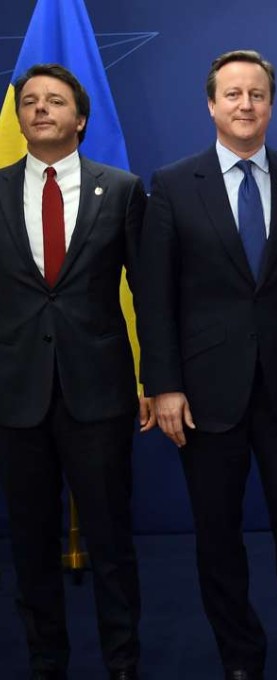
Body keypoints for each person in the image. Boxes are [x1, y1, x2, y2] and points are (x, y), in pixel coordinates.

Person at [137, 50, 277, 680]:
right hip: (204, 395)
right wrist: (165, 384)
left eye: (256, 94)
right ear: (211, 105)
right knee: (218, 539)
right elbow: (155, 296)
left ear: (271, 104)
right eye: (232, 94)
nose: (245, 105)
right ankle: (240, 657)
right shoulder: (174, 184)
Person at [0, 63, 150, 680]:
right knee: (31, 543)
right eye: (29, 101)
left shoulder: (119, 190)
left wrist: (155, 379)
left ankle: (122, 660)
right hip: (16, 394)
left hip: (99, 392)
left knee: (111, 540)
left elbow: (149, 293)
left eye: (54, 101)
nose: (40, 109)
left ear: (79, 119)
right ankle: (46, 660)